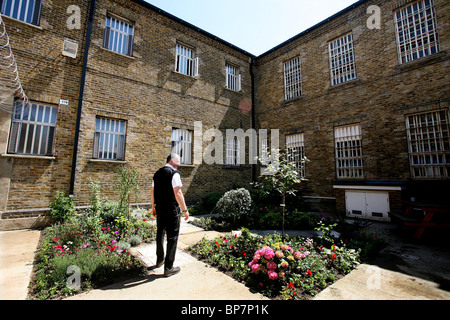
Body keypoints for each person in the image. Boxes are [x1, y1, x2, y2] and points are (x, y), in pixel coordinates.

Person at [150, 153, 189, 277]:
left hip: (160, 208)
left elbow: (152, 191)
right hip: (172, 210)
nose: (178, 166)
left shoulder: (157, 173)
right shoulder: (174, 174)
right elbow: (178, 192)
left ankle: (159, 260)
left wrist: (153, 207)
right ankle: (169, 268)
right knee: (172, 237)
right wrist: (185, 210)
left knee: (160, 234)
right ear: (171, 162)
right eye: (177, 163)